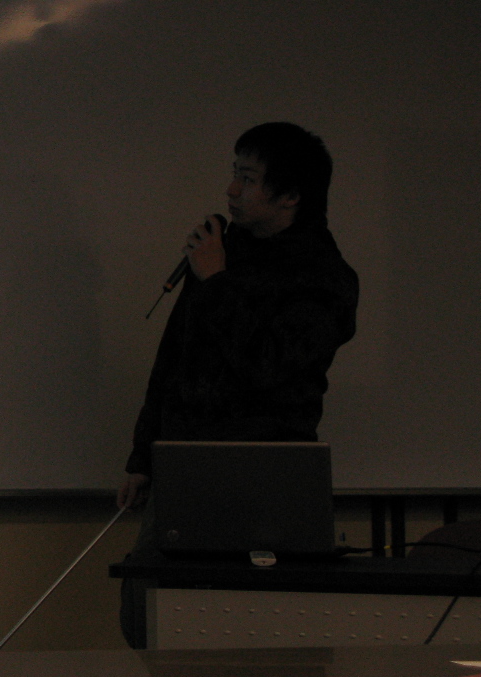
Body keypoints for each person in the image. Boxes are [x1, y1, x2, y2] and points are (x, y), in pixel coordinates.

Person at [118, 122, 359, 647]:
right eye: (235, 174)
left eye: (248, 179)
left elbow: (268, 368)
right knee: (145, 611)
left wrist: (217, 282)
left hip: (264, 474)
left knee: (246, 624)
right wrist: (143, 455)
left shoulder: (322, 275)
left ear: (290, 195)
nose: (231, 190)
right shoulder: (223, 253)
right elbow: (174, 359)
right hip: (184, 460)